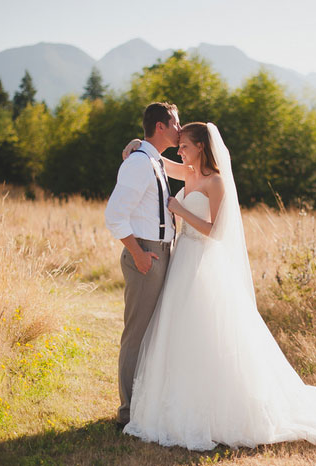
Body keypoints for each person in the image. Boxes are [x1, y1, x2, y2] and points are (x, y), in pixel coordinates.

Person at [121, 122, 316, 450]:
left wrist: (179, 210)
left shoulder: (215, 181)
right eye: (179, 148)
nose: (179, 152)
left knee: (207, 331)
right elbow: (158, 161)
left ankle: (218, 409)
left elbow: (215, 230)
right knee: (178, 332)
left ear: (202, 148)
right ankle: (173, 401)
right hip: (182, 261)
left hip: (202, 262)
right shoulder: (188, 171)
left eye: (185, 147)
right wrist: (137, 143)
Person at [104, 102, 181, 430]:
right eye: (177, 122)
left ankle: (146, 406)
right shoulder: (139, 163)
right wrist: (137, 253)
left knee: (154, 333)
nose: (181, 128)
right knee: (136, 334)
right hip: (146, 254)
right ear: (161, 126)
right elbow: (114, 215)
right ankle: (129, 414)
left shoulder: (152, 160)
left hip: (162, 253)